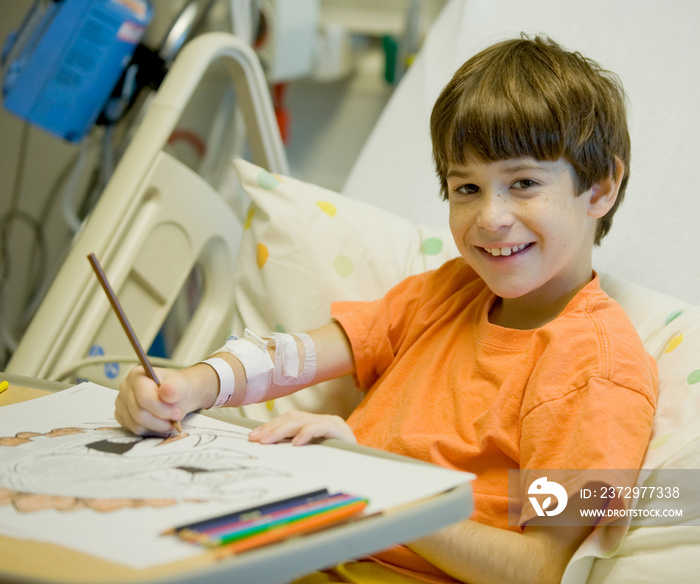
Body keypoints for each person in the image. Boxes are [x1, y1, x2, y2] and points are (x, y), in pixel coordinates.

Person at [116, 35, 658, 584]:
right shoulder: (448, 292)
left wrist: (374, 485)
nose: (491, 217)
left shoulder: (594, 372)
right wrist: (190, 387)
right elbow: (299, 355)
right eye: (466, 187)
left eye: (523, 183)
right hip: (304, 545)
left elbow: (538, 570)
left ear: (601, 187)